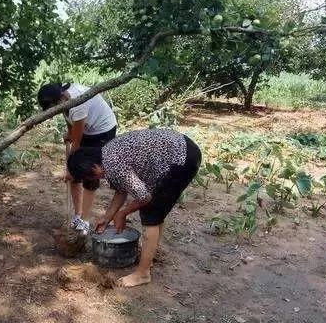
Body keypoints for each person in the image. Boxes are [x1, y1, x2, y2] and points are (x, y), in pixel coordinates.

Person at [67, 128, 202, 287]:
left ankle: (142, 273)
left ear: (93, 167)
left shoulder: (113, 165)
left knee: (150, 213)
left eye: (90, 176)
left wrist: (123, 213)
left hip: (181, 158)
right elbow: (122, 189)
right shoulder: (107, 153)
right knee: (156, 212)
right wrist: (107, 217)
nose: (94, 179)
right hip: (181, 149)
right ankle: (149, 256)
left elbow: (144, 197)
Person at [37, 82, 117, 235]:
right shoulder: (64, 99)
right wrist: (70, 133)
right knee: (75, 176)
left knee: (88, 174)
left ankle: (85, 221)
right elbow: (70, 122)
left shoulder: (78, 102)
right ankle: (78, 215)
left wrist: (69, 169)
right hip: (87, 129)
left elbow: (77, 142)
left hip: (102, 131)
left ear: (60, 99)